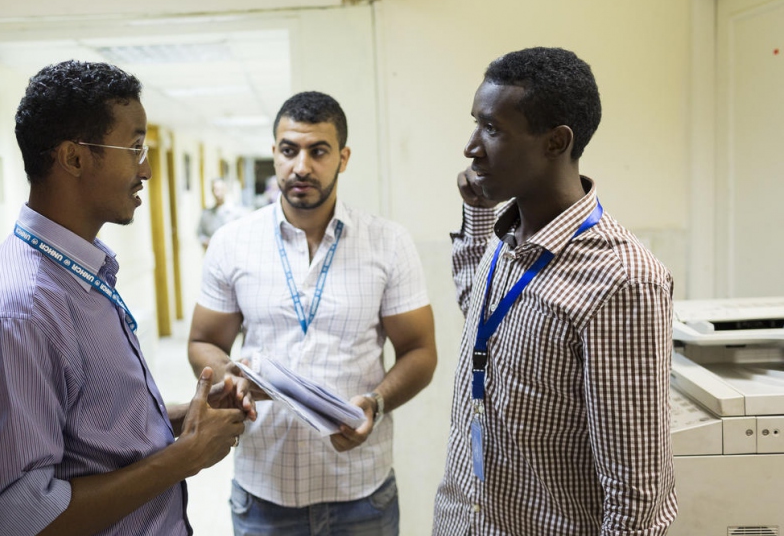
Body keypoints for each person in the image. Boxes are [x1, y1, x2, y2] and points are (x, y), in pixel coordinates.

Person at [0, 60, 251, 536]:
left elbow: (91, 433)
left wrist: (184, 417)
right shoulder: (18, 309)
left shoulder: (82, 272)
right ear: (74, 158)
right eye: (134, 148)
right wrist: (182, 459)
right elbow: (21, 518)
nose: (146, 168)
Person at [431, 47, 677, 535]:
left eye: (493, 129)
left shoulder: (622, 280)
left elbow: (635, 492)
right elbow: (479, 311)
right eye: (476, 124)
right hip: (463, 520)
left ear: (555, 142)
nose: (471, 147)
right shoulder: (510, 234)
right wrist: (479, 209)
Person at [188, 91, 438, 536]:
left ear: (342, 157)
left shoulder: (388, 242)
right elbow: (203, 341)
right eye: (289, 150)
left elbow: (420, 352)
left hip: (362, 490)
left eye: (317, 151)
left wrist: (376, 405)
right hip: (265, 487)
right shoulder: (232, 242)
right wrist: (232, 376)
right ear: (275, 153)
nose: (301, 166)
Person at [197, 177, 247, 248]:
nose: (217, 193)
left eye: (220, 189)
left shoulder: (236, 211)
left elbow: (243, 232)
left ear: (225, 189)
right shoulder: (206, 214)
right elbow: (200, 232)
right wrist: (205, 241)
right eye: (215, 190)